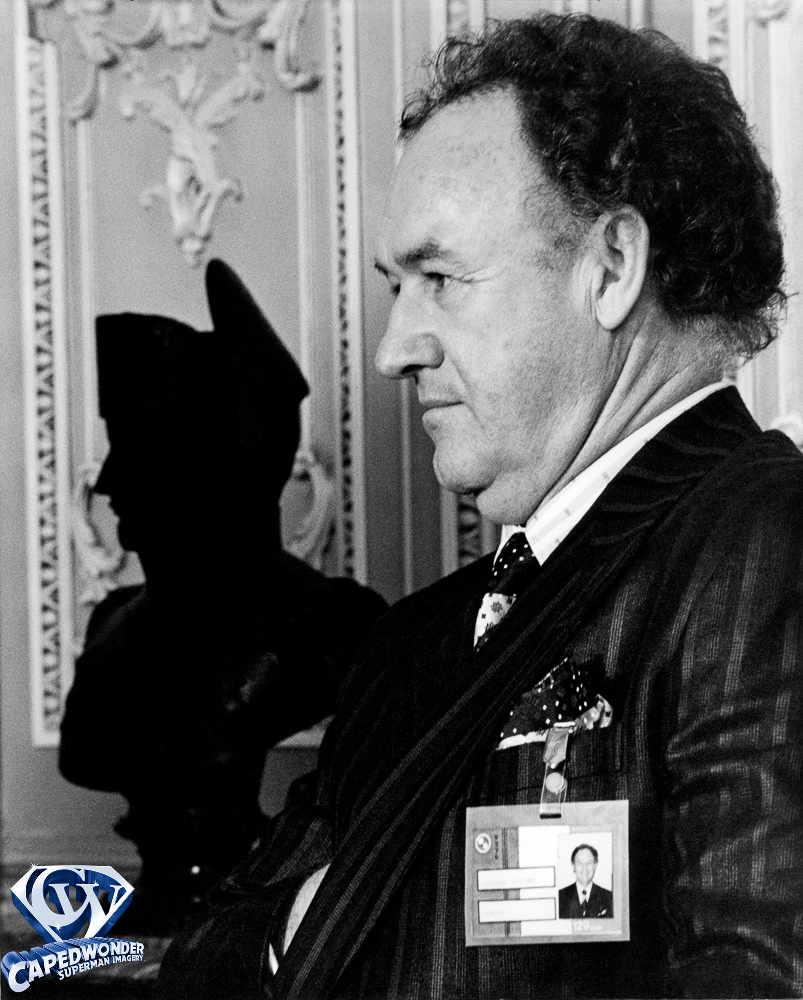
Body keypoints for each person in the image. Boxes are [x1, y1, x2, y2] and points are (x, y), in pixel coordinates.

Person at [158, 13, 803, 999]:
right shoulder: (411, 643)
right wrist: (363, 906)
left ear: (610, 266)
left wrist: (380, 901)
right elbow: (208, 955)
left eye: (440, 278)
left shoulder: (765, 545)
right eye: (396, 287)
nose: (392, 350)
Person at [60, 259, 387, 933]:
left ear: (208, 470)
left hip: (249, 916)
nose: (108, 481)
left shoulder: (326, 625)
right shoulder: (112, 620)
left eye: (135, 448)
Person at [558, 845, 613, 920]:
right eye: (580, 863)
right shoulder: (560, 897)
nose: (584, 868)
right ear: (573, 866)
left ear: (595, 865)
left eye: (589, 863)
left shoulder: (609, 898)